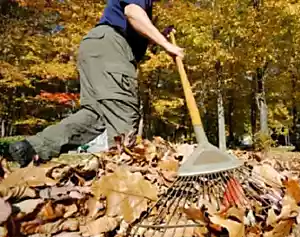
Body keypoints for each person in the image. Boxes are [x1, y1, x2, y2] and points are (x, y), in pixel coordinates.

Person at [8, 0, 184, 168]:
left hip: (96, 47)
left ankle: (32, 147)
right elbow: (132, 12)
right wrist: (167, 45)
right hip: (112, 48)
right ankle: (123, 182)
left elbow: (135, 27)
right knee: (123, 116)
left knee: (93, 116)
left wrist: (159, 36)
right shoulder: (139, 5)